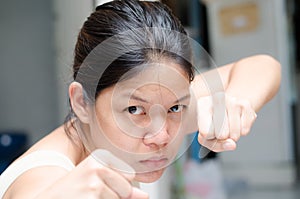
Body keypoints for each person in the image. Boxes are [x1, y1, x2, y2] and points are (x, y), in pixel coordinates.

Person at [0, 0, 281, 198]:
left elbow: (263, 65)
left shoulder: (164, 106)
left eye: (175, 107)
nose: (162, 137)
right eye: (135, 110)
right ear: (82, 102)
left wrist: (235, 102)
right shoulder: (46, 172)